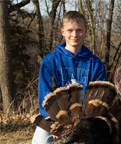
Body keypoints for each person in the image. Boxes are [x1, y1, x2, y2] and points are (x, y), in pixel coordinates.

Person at [32, 11, 106, 144]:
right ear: (62, 31)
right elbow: (45, 97)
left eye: (79, 30)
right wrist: (56, 127)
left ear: (85, 31)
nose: (74, 35)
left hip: (85, 119)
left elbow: (98, 98)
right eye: (70, 30)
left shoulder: (96, 63)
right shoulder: (50, 61)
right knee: (40, 141)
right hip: (54, 119)